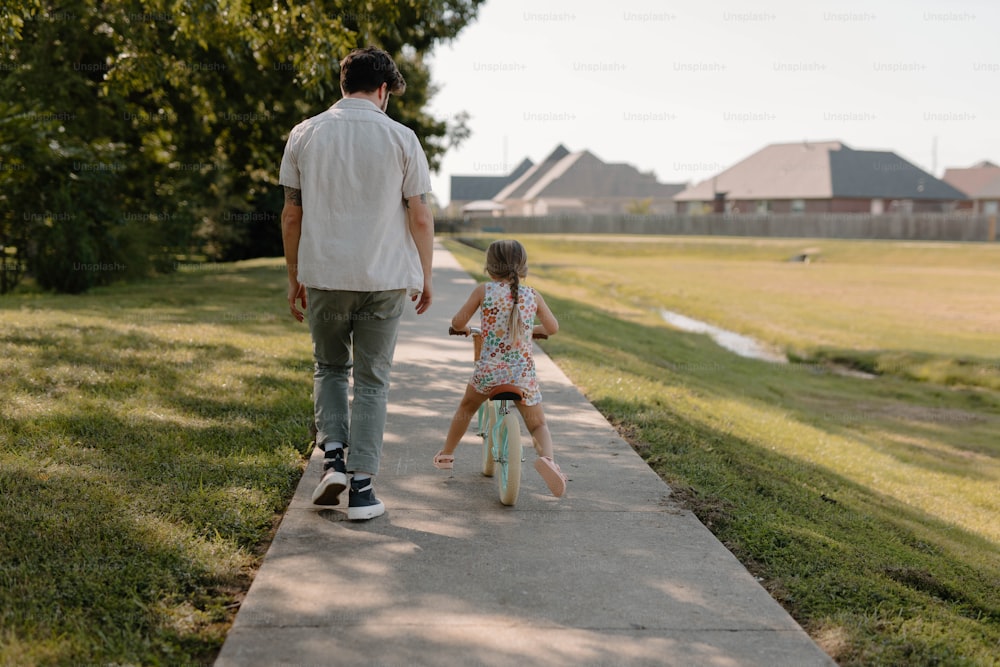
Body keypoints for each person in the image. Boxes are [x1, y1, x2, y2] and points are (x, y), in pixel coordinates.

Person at [279, 46, 434, 520]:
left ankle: (332, 463)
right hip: (385, 279)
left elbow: (291, 213)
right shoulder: (403, 138)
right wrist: (424, 276)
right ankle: (363, 491)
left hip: (325, 274)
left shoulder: (304, 134)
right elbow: (421, 215)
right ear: (383, 90)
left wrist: (294, 278)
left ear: (343, 85)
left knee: (329, 367)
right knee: (372, 380)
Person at [434, 239, 567, 497]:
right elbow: (553, 328)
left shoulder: (484, 291)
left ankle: (448, 454)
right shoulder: (532, 295)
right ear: (523, 268)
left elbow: (458, 321)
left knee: (467, 408)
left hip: (489, 373)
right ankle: (549, 461)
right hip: (522, 375)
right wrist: (532, 330)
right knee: (538, 425)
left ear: (489, 268)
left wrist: (462, 329)